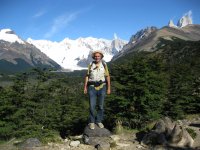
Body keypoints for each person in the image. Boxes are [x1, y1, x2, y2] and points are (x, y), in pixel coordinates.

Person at [84, 50, 111, 130]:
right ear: (93, 57)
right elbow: (87, 76)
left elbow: (107, 76)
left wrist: (109, 88)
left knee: (101, 106)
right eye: (95, 56)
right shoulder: (90, 65)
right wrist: (85, 87)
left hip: (102, 86)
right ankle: (92, 122)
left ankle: (99, 121)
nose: (97, 57)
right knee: (92, 106)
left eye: (98, 56)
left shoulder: (104, 65)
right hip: (92, 87)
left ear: (101, 57)